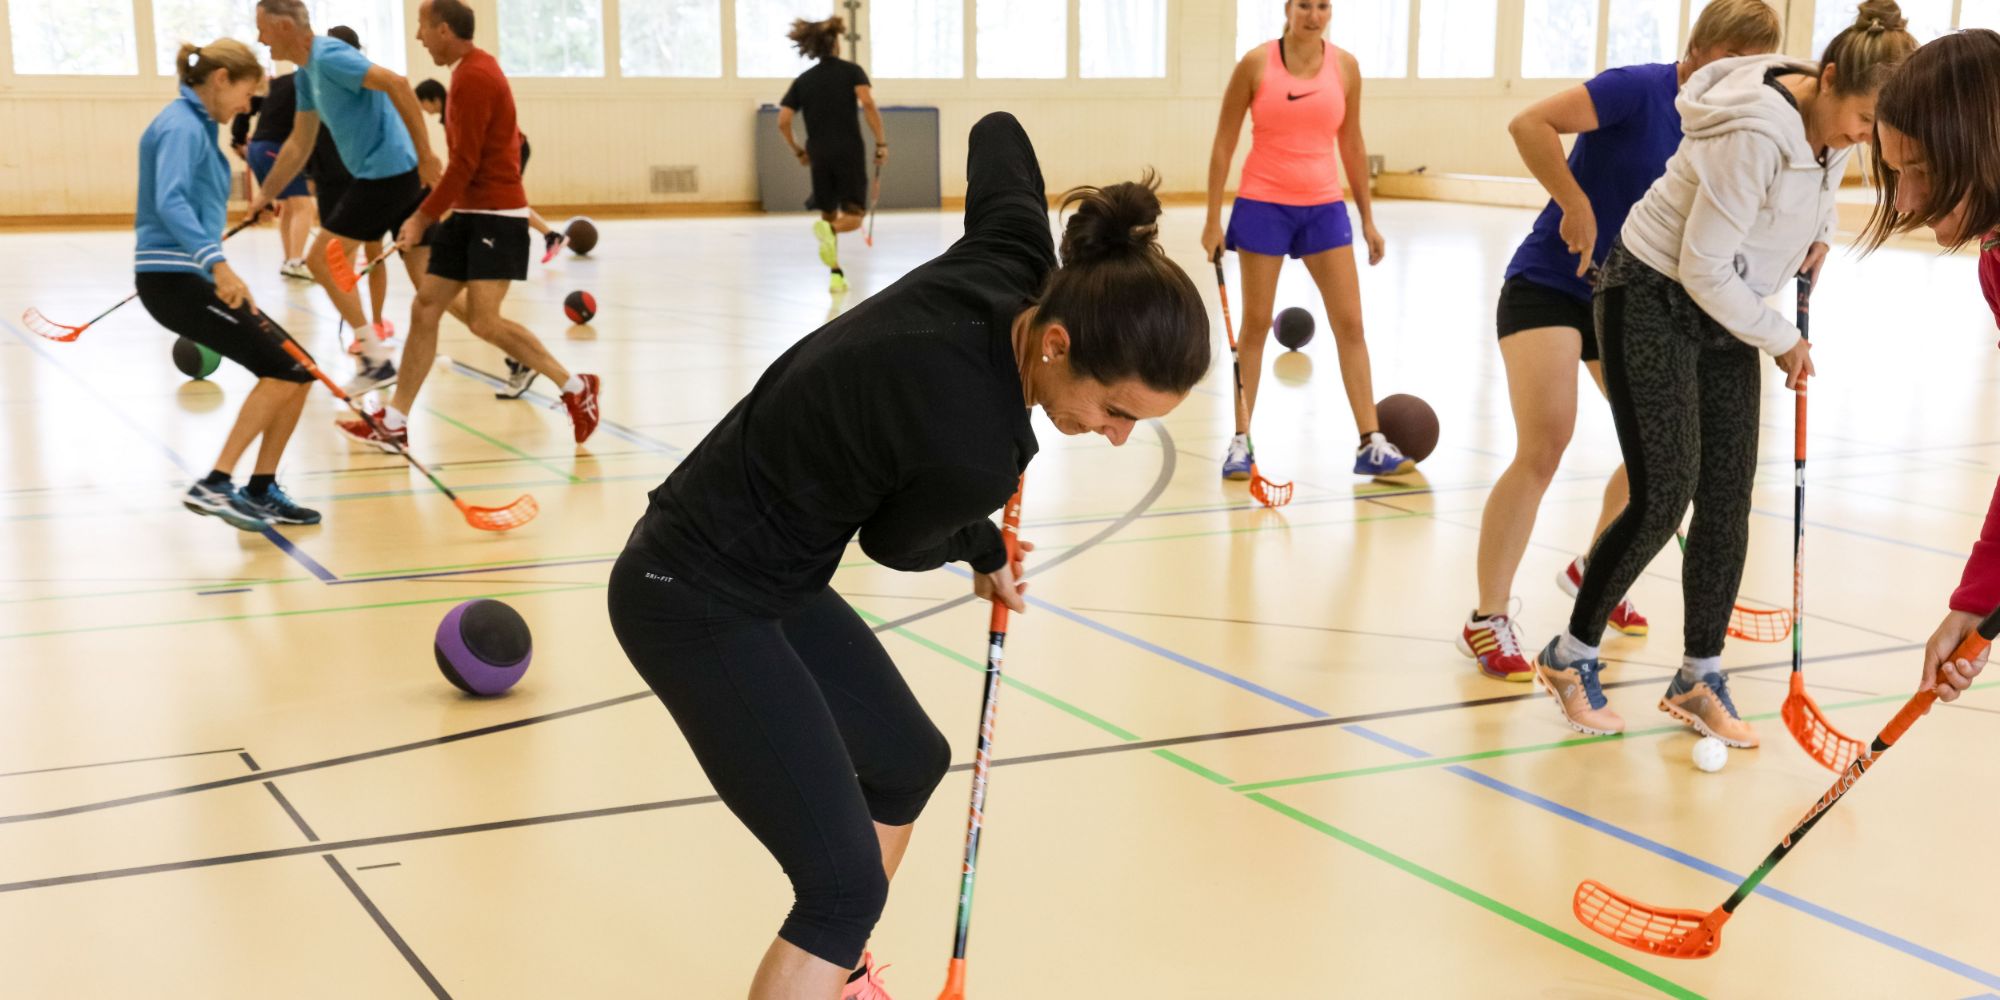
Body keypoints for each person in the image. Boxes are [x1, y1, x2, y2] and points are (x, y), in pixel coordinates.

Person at [606, 113, 1208, 999]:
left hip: (773, 576)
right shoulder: (974, 447)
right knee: (841, 888)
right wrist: (981, 541)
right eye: (1115, 411)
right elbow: (896, 543)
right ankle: (832, 949)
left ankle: (838, 974)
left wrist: (983, 544)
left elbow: (998, 133)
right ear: (1056, 344)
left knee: (906, 761)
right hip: (690, 595)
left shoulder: (1015, 259)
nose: (1117, 437)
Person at [1531, 2, 1917, 742]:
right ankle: (1569, 655)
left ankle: (1698, 675)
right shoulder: (1754, 131)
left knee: (1727, 498)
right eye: (1865, 119)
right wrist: (1782, 339)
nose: (1863, 137)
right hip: (1651, 293)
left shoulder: (1833, 122)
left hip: (1724, 303)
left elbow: (1819, 186)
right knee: (1663, 492)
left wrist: (1818, 234)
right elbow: (1702, 266)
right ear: (1829, 78)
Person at [1458, 0, 1783, 681]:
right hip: (1551, 284)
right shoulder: (1637, 88)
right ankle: (1488, 616)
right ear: (1699, 49)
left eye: (1753, 67)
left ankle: (1594, 565)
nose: (1740, 76)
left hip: (1630, 299)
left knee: (1665, 456)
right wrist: (1574, 201)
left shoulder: (1733, 123)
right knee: (1546, 442)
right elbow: (1529, 123)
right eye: (1731, 60)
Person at [336, 0, 601, 451]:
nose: (418, 37)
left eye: (422, 27)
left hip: (496, 216)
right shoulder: (465, 73)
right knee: (425, 307)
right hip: (469, 214)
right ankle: (395, 422)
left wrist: (422, 216)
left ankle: (576, 387)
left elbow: (465, 163)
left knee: (483, 321)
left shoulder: (475, 76)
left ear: (443, 29)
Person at [1201, 0, 1405, 480]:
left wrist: (1368, 219)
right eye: (1304, 6)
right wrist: (1212, 219)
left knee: (1351, 324)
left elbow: (1351, 143)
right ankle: (1240, 442)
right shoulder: (1255, 64)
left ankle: (1370, 442)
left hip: (1323, 207)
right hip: (1263, 204)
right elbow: (1224, 142)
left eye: (1323, 6)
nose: (1314, 16)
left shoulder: (1346, 67)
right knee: (1255, 325)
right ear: (1288, 9)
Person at [1865, 30, 2000, 703]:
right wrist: (1978, 598)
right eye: (1896, 172)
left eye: (1919, 169)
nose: (1905, 202)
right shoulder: (1995, 261)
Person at [139, 39, 319, 532]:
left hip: (189, 275)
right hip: (174, 280)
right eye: (246, 94)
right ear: (221, 79)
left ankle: (261, 489)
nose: (247, 107)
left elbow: (188, 204)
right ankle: (215, 483)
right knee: (283, 369)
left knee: (300, 367)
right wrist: (218, 267)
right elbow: (170, 201)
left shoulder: (195, 124)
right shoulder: (181, 126)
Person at [248, 0, 443, 395]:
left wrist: (426, 156)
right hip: (389, 174)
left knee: (320, 259)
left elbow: (397, 83)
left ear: (284, 27)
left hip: (387, 173)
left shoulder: (330, 56)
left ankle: (374, 360)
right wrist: (265, 195)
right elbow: (299, 143)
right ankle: (509, 346)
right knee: (433, 290)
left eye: (262, 28)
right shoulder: (307, 74)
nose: (260, 38)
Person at [777, 16, 886, 294]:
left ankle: (836, 274)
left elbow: (783, 121)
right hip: (848, 151)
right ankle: (834, 231)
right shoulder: (852, 72)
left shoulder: (804, 80)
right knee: (854, 215)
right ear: (836, 43)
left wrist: (798, 151)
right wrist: (881, 143)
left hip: (818, 153)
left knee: (828, 214)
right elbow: (868, 103)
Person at [308, 26, 395, 354]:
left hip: (361, 181)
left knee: (366, 254)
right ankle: (366, 327)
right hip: (333, 181)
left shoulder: (368, 83)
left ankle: (373, 324)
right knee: (343, 258)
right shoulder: (317, 82)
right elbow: (308, 133)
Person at [415, 76, 566, 266]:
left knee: (504, 202)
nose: (423, 110)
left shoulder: (454, 111)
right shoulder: (451, 112)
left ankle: (546, 237)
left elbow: (466, 150)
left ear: (434, 99)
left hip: (512, 150)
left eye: (422, 104)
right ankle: (549, 236)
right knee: (499, 202)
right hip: (505, 151)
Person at [230, 68, 314, 279]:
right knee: (304, 207)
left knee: (289, 206)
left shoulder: (277, 82)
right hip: (276, 149)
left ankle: (290, 260)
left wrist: (238, 139)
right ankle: (295, 262)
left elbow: (249, 106)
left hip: (257, 149)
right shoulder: (312, 82)